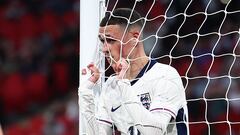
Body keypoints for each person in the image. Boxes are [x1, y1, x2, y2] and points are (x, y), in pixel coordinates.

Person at [79, 8, 189, 135]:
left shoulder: (165, 75)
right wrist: (85, 94)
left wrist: (123, 85)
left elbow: (154, 131)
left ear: (135, 38)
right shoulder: (111, 86)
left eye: (110, 40)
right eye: (103, 41)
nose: (104, 49)